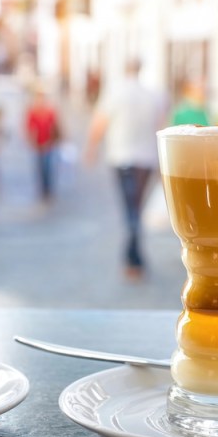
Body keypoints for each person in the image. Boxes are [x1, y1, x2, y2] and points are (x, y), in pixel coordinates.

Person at [85, 59, 167, 280]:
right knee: (136, 206)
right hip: (146, 158)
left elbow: (99, 122)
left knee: (130, 207)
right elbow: (161, 125)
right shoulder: (153, 95)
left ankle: (132, 257)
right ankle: (135, 256)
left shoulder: (114, 93)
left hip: (121, 156)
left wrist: (91, 149)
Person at [25, 85, 61, 201]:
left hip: (48, 144)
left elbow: (56, 126)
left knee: (47, 167)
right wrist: (31, 141)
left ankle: (48, 189)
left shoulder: (50, 111)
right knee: (40, 167)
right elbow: (29, 128)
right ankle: (43, 189)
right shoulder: (33, 112)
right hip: (38, 145)